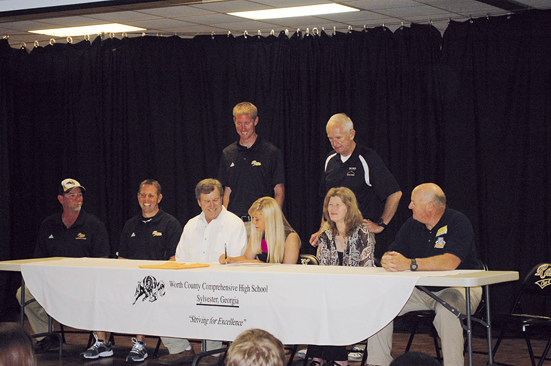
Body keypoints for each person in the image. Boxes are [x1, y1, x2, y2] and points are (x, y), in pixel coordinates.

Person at [366, 183, 482, 366]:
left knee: (447, 312)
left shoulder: (458, 222)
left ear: (430, 206)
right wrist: (389, 259)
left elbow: (450, 262)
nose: (409, 206)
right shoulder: (412, 224)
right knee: (381, 304)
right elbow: (394, 252)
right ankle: (377, 363)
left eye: (413, 202)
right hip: (421, 290)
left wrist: (409, 263)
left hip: (458, 289)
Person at [80, 179, 182, 361]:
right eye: (142, 194)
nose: (146, 199)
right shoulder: (130, 224)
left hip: (157, 282)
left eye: (151, 195)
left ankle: (140, 344)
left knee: (141, 293)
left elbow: (173, 260)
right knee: (98, 290)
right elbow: (122, 260)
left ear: (159, 198)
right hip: (129, 278)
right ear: (137, 197)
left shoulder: (170, 223)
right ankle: (102, 342)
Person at [158, 179, 247, 366]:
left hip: (221, 288)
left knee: (211, 300)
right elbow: (180, 258)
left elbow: (237, 263)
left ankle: (213, 354)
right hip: (190, 285)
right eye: (207, 201)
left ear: (222, 198)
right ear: (199, 202)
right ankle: (180, 348)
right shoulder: (191, 225)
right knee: (158, 297)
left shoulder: (234, 224)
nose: (212, 205)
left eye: (216, 200)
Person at [15, 178, 110, 354]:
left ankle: (101, 339)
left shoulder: (93, 224)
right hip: (51, 281)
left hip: (84, 282)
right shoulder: (48, 224)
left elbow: (103, 258)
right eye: (72, 195)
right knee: (23, 293)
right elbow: (39, 259)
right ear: (61, 199)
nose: (77, 199)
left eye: (79, 195)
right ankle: (46, 336)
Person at [310, 113, 402, 257]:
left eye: (339, 138)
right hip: (331, 229)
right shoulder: (330, 160)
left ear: (351, 134)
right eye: (331, 139)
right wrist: (322, 228)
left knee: (355, 276)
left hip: (358, 229)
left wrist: (381, 224)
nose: (335, 143)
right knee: (325, 273)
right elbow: (327, 199)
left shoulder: (367, 159)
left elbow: (395, 193)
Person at [307, 187, 375, 366]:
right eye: (330, 205)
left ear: (349, 208)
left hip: (358, 291)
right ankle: (320, 357)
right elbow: (323, 269)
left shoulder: (362, 233)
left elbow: (367, 270)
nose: (333, 209)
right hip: (331, 291)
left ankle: (334, 358)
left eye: (338, 204)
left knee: (332, 305)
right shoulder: (326, 234)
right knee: (319, 302)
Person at [218, 102, 285, 238]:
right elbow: (227, 191)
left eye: (247, 123)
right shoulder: (227, 153)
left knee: (256, 260)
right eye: (239, 123)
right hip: (233, 225)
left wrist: (272, 221)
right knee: (232, 259)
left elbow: (279, 191)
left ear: (256, 121)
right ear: (234, 121)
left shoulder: (271, 152)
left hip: (259, 225)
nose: (243, 128)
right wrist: (223, 220)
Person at [221, 197, 300, 264]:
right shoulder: (258, 233)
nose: (253, 222)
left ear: (270, 220)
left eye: (257, 219)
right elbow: (247, 257)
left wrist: (260, 264)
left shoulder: (291, 238)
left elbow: (288, 270)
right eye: (252, 218)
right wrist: (230, 259)